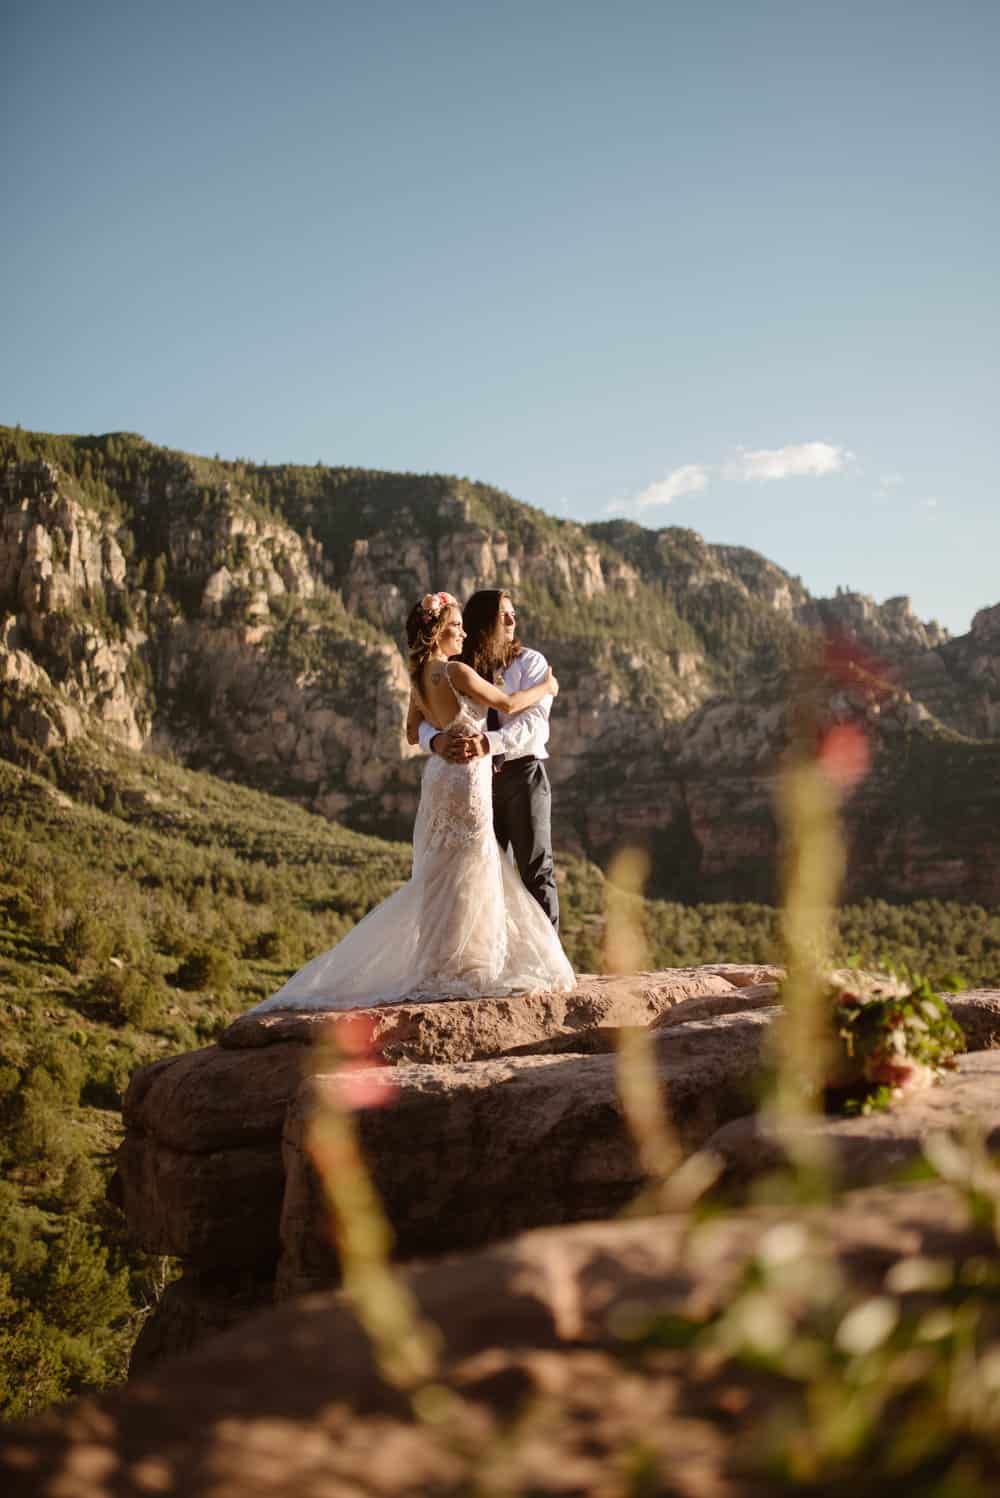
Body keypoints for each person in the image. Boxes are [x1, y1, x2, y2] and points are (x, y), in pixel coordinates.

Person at [246, 592, 574, 1013]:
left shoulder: (421, 675)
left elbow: (410, 731)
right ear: (440, 631)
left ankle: (446, 963)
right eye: (456, 627)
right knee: (474, 863)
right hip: (469, 775)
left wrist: (438, 740)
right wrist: (548, 685)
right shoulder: (457, 669)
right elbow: (508, 704)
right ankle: (471, 966)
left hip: (445, 775)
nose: (463, 633)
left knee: (446, 867)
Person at [417, 590, 560, 928]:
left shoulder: (531, 662)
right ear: (483, 622)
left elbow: (535, 723)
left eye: (513, 613)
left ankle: (549, 960)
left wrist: (488, 743)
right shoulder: (457, 665)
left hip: (522, 774)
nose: (512, 621)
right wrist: (435, 741)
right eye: (503, 615)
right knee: (474, 871)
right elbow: (422, 718)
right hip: (471, 780)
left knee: (535, 868)